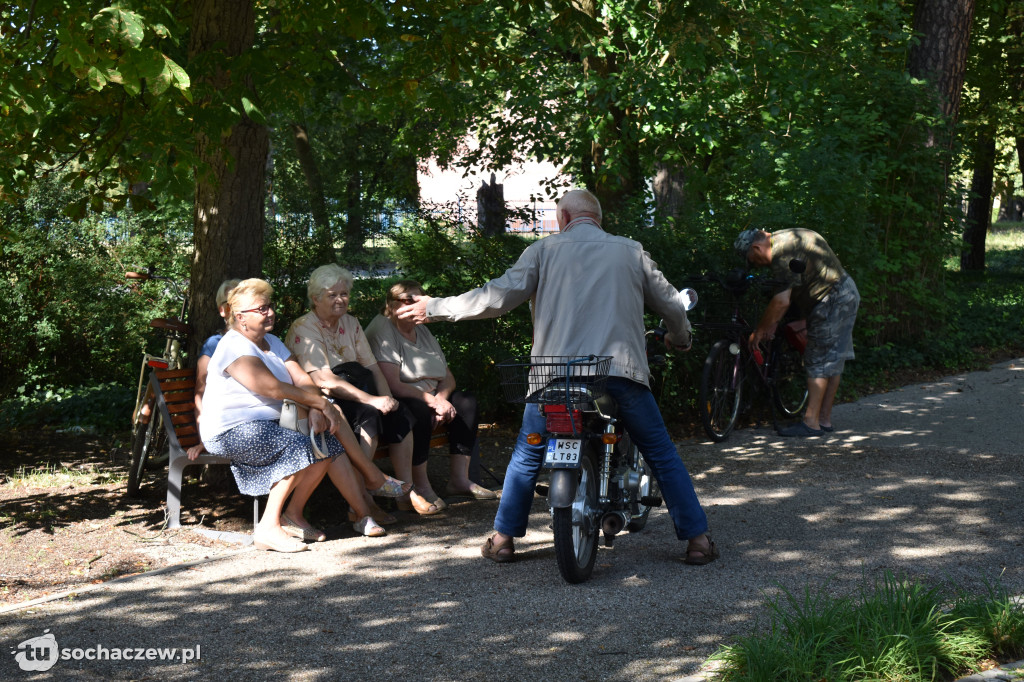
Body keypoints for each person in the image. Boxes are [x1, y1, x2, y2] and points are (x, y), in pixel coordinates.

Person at [397, 188, 718, 566]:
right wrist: (680, 338)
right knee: (661, 454)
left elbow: (494, 297)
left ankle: (502, 539)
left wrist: (436, 307)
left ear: (563, 218)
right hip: (618, 373)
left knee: (526, 455)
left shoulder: (543, 251)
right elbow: (670, 304)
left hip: (554, 377)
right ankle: (697, 539)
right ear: (598, 218)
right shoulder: (629, 250)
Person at [199, 278, 407, 548]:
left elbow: (301, 378)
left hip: (274, 421)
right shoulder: (233, 345)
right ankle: (268, 528)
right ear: (240, 317)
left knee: (327, 442)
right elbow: (271, 387)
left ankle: (294, 515)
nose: (270, 312)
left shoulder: (271, 341)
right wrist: (320, 404)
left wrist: (315, 404)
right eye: (261, 309)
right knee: (302, 444)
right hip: (232, 430)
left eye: (270, 306)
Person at [285, 264, 443, 516]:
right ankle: (360, 502)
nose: (340, 300)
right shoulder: (304, 327)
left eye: (344, 294)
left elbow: (373, 368)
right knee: (369, 414)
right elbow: (324, 379)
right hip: (323, 401)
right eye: (332, 295)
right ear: (315, 299)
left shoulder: (351, 323)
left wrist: (387, 400)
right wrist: (373, 400)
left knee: (399, 413)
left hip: (356, 392)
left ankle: (404, 492)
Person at [365, 280, 497, 502]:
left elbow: (448, 377)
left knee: (466, 401)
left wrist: (441, 400)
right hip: (400, 399)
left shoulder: (422, 330)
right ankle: (421, 486)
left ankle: (459, 480)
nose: (412, 305)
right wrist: (433, 403)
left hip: (431, 396)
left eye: (417, 300)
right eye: (406, 300)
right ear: (390, 304)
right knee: (419, 410)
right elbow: (392, 384)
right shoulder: (382, 329)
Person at [734, 228, 860, 437]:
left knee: (817, 360)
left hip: (831, 300)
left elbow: (781, 301)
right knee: (833, 361)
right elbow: (793, 288)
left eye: (753, 260)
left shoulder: (781, 253)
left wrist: (759, 331)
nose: (756, 265)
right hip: (844, 293)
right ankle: (823, 420)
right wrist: (773, 322)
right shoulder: (787, 237)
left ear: (756, 247)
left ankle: (811, 423)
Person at [187, 278, 241, 460]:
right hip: (227, 426)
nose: (239, 307)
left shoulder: (265, 343)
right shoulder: (214, 344)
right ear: (222, 310)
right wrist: (205, 438)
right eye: (233, 303)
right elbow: (200, 392)